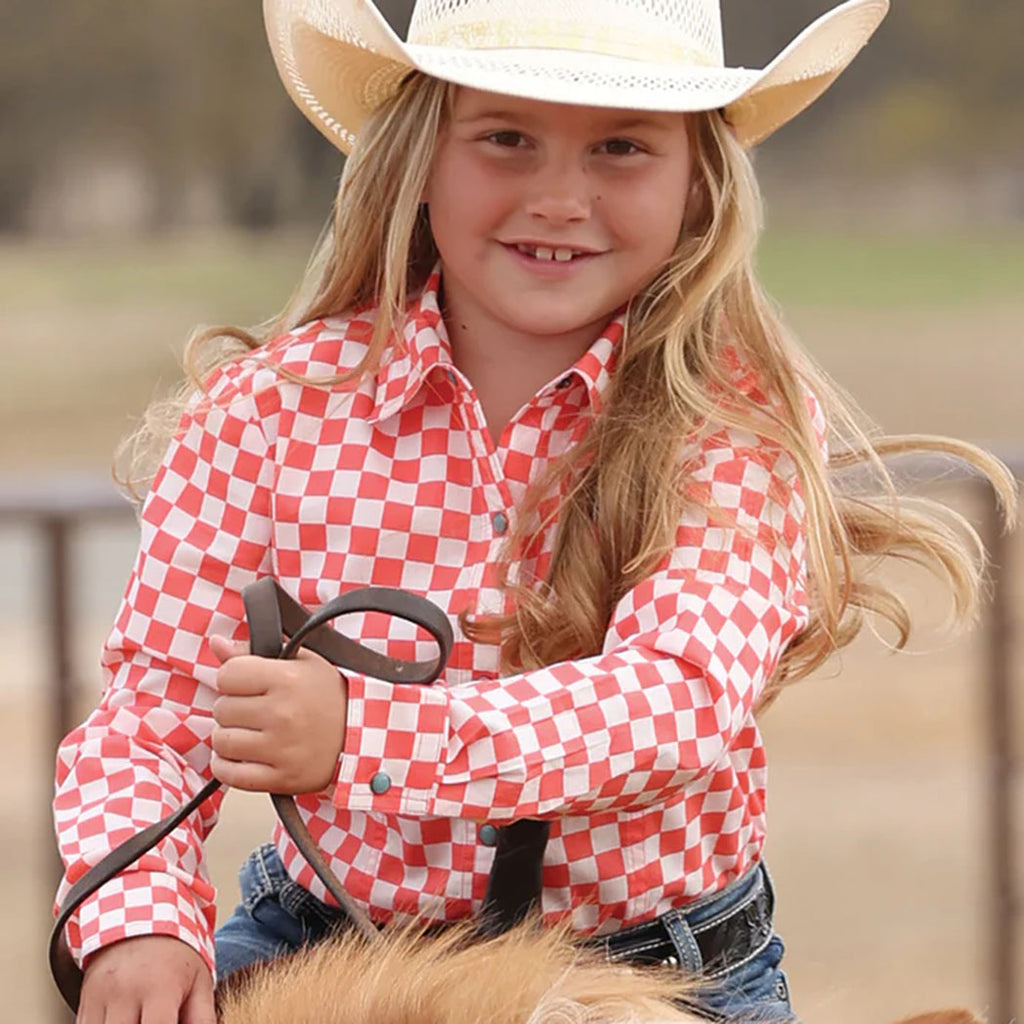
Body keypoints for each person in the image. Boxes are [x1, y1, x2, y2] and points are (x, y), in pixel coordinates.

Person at [53, 1, 1016, 1022]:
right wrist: (137, 916)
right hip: (333, 946)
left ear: (697, 183)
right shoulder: (270, 410)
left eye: (620, 147)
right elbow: (153, 716)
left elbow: (678, 700)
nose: (559, 199)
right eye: (506, 138)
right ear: (422, 159)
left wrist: (363, 733)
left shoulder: (734, 426)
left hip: (656, 966)